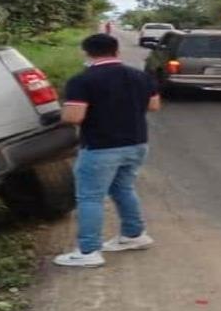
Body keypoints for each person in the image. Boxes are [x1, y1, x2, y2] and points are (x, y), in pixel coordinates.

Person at [53, 34, 162, 268]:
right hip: (136, 143)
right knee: (124, 188)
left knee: (90, 197)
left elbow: (74, 116)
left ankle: (88, 251)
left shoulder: (83, 81)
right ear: (116, 51)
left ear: (86, 53)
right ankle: (134, 235)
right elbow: (153, 105)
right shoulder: (140, 76)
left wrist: (60, 114)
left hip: (101, 147)